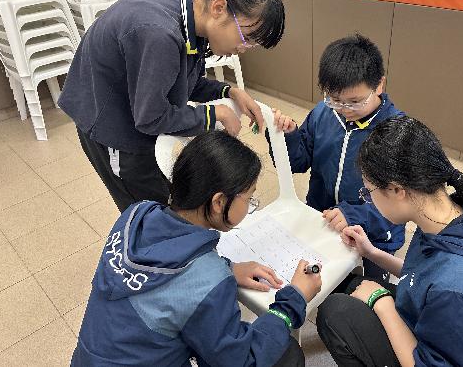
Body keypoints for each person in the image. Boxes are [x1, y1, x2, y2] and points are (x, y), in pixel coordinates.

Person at [316, 116, 463, 367]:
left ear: (397, 190)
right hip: (458, 332)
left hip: (453, 340)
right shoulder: (452, 215)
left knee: (335, 313)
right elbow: (425, 276)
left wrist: (381, 302)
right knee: (351, 285)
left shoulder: (459, 293)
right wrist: (372, 252)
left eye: (368, 192)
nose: (369, 200)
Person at [59, 0, 285, 212]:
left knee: (167, 198)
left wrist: (229, 92)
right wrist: (213, 114)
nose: (244, 49)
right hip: (113, 126)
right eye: (247, 38)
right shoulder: (160, 35)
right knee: (147, 212)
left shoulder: (192, 11)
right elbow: (151, 117)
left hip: (138, 109)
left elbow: (183, 81)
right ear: (219, 8)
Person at [71, 131, 321, 367]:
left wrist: (227, 267)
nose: (249, 205)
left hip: (88, 359)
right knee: (287, 353)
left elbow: (165, 262)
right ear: (219, 202)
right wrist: (293, 300)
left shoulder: (136, 214)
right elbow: (242, 360)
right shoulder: (209, 282)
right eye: (249, 198)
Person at [270, 34, 405, 280]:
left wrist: (354, 215)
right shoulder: (324, 113)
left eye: (355, 101)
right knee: (305, 280)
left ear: (379, 85)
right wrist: (288, 136)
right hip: (322, 219)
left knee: (362, 292)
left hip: (373, 236)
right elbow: (297, 163)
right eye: (334, 100)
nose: (344, 110)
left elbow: (404, 206)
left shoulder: (398, 133)